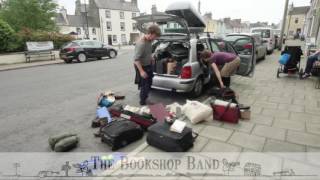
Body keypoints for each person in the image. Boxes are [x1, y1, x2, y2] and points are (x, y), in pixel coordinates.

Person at [134, 24, 161, 105]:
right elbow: (136, 59)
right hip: (141, 66)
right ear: (151, 33)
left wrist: (151, 58)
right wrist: (141, 71)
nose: (155, 39)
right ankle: (142, 102)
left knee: (149, 83)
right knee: (144, 85)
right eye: (155, 36)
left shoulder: (149, 41)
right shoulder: (141, 44)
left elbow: (148, 52)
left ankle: (145, 98)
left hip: (148, 65)